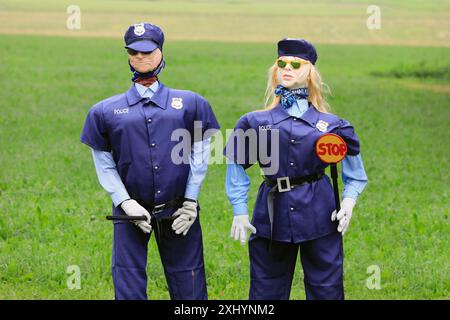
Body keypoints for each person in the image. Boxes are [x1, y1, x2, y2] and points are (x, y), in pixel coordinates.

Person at [80, 23, 220, 300]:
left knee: (189, 282)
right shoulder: (103, 111)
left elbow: (200, 156)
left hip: (178, 209)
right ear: (128, 56)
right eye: (134, 52)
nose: (141, 57)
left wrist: (190, 201)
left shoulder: (192, 104)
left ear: (161, 52)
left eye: (148, 51)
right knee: (127, 279)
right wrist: (125, 202)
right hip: (128, 211)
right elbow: (104, 164)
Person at [223, 38, 368, 300]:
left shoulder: (334, 126)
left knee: (327, 288)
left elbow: (356, 175)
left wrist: (348, 203)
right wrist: (239, 211)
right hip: (271, 217)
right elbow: (236, 166)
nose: (287, 68)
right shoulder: (254, 122)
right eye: (282, 63)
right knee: (266, 289)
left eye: (296, 64)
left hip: (321, 216)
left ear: (310, 72)